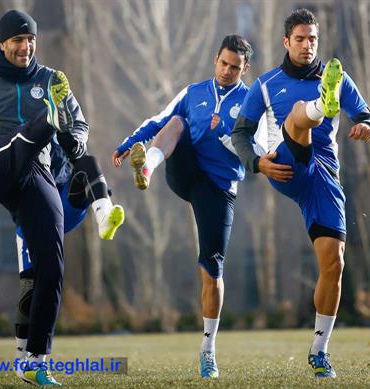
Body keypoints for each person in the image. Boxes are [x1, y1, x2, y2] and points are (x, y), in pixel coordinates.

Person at [0, 9, 123, 386]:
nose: (25, 47)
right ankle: (49, 122)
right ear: (2, 43)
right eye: (18, 41)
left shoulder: (51, 79)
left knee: (52, 266)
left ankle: (35, 360)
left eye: (30, 40)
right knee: (31, 133)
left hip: (36, 175)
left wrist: (74, 137)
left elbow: (81, 128)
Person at [231, 9, 370, 378]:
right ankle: (318, 106)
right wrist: (256, 164)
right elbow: (239, 134)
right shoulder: (265, 84)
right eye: (300, 38)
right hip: (284, 165)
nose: (307, 44)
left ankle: (319, 351)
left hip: (323, 177)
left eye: (313, 38)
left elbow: (369, 117)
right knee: (299, 115)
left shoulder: (340, 78)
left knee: (334, 263)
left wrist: (366, 129)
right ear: (286, 42)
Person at [112, 35, 253, 378]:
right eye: (223, 63)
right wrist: (129, 144)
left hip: (219, 188)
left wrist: (228, 138)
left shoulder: (252, 102)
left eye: (235, 67)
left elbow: (259, 151)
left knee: (213, 271)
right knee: (177, 122)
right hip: (186, 171)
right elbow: (159, 119)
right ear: (215, 59)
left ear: (244, 68)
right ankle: (147, 167)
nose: (227, 71)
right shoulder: (194, 93)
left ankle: (208, 350)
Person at [13, 140, 123, 381]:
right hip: (32, 217)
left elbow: (81, 165)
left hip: (62, 206)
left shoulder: (66, 127)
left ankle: (104, 214)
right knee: (30, 290)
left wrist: (99, 192)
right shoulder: (26, 131)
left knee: (88, 162)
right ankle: (21, 356)